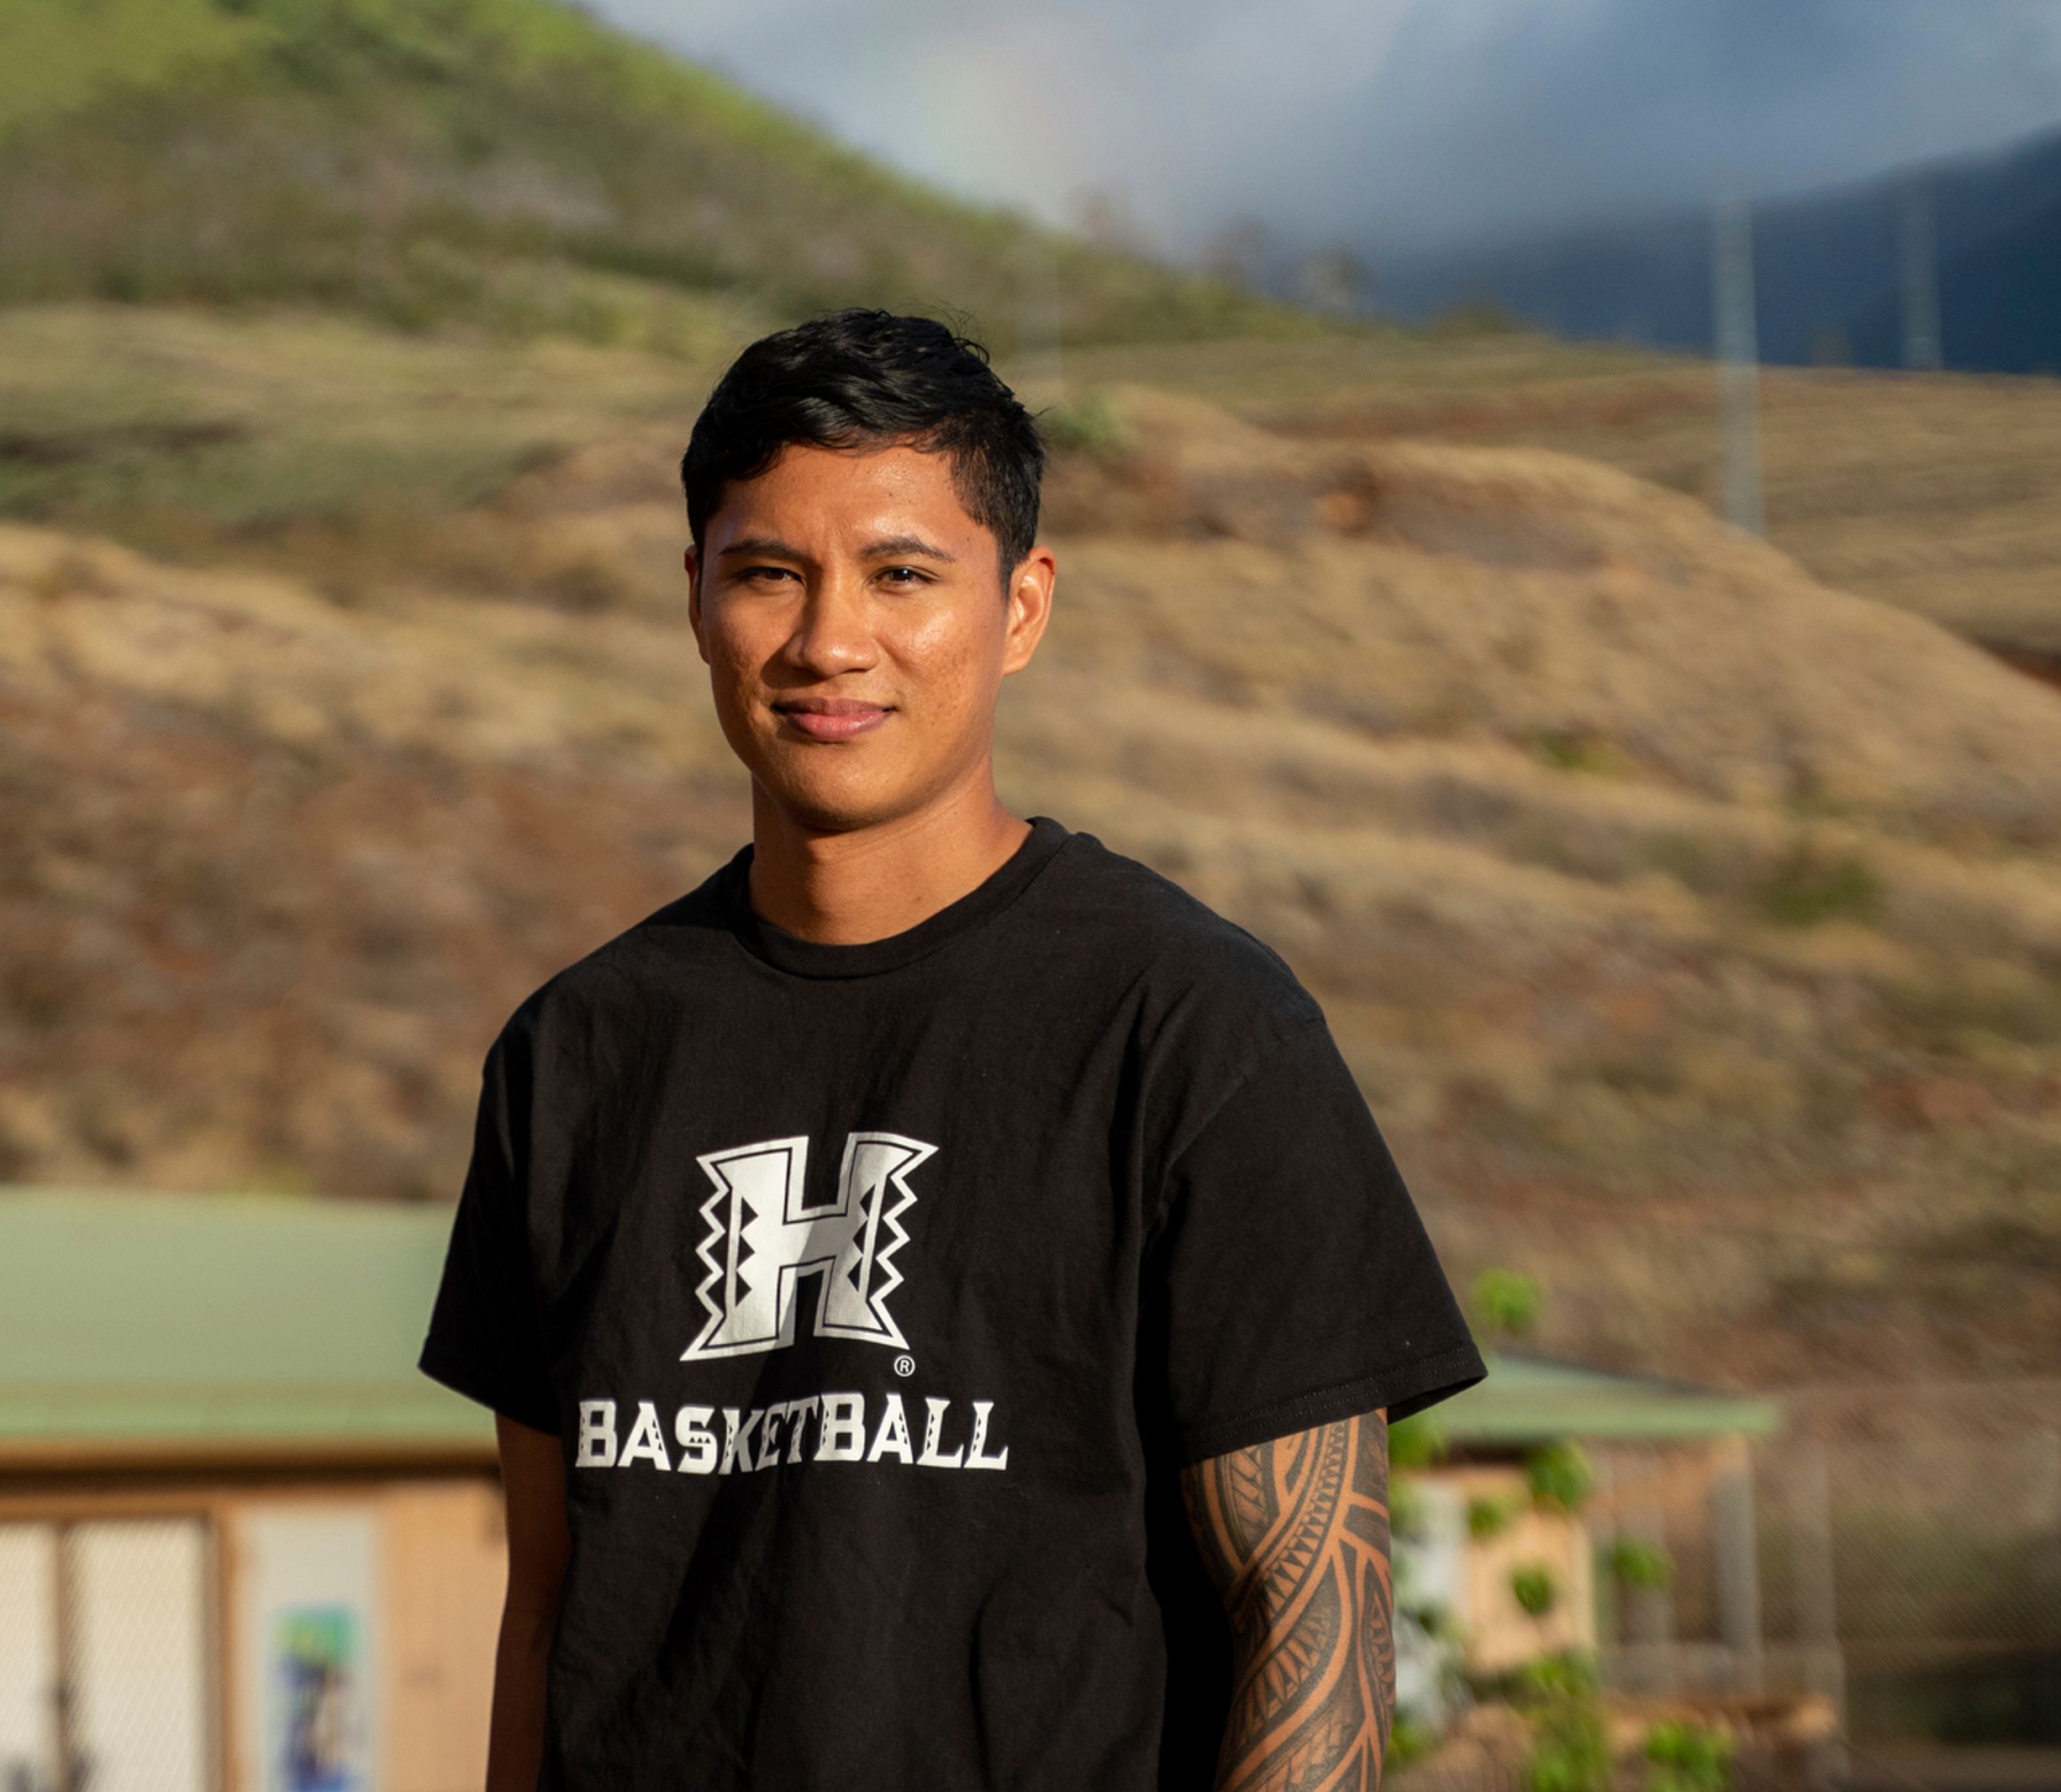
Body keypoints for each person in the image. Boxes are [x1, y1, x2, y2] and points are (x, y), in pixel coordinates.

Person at [419, 311, 1484, 1790]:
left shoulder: (1189, 1024)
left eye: (902, 573)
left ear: (1024, 606)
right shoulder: (576, 1055)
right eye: (767, 573)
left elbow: (1311, 1615)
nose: (827, 641)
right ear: (695, 596)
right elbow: (547, 1609)